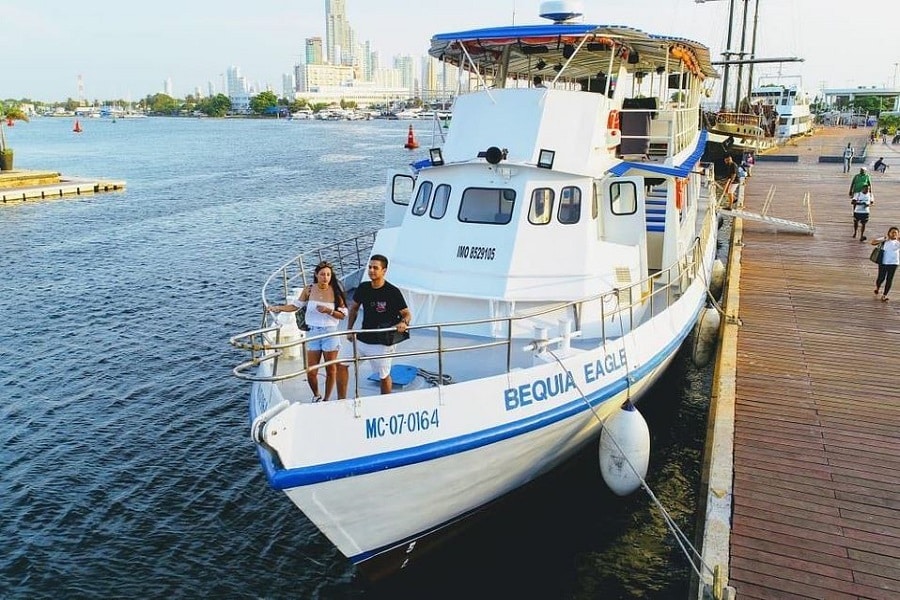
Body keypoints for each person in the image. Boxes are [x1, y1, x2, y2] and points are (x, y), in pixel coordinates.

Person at [268, 261, 348, 402]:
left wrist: (329, 311)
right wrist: (278, 308)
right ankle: (317, 395)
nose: (325, 277)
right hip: (313, 333)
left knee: (331, 369)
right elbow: (295, 306)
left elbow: (342, 314)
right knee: (311, 371)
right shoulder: (309, 289)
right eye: (322, 274)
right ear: (316, 275)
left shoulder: (335, 291)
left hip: (330, 333)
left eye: (328, 274)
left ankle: (326, 399)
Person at [346, 254, 411, 394]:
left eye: (375, 268)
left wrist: (403, 322)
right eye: (370, 267)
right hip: (363, 338)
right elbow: (354, 308)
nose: (371, 270)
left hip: (382, 342)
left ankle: (385, 402)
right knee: (341, 365)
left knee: (383, 376)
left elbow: (407, 314)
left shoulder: (392, 292)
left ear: (384, 270)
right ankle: (340, 399)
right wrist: (349, 329)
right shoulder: (363, 288)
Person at [871, 226, 900, 302]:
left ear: (898, 234)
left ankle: (884, 295)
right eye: (892, 232)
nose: (894, 234)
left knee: (889, 279)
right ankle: (877, 287)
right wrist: (884, 239)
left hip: (894, 263)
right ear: (889, 233)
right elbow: (873, 242)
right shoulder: (884, 239)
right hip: (883, 262)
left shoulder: (898, 242)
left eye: (896, 233)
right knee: (881, 277)